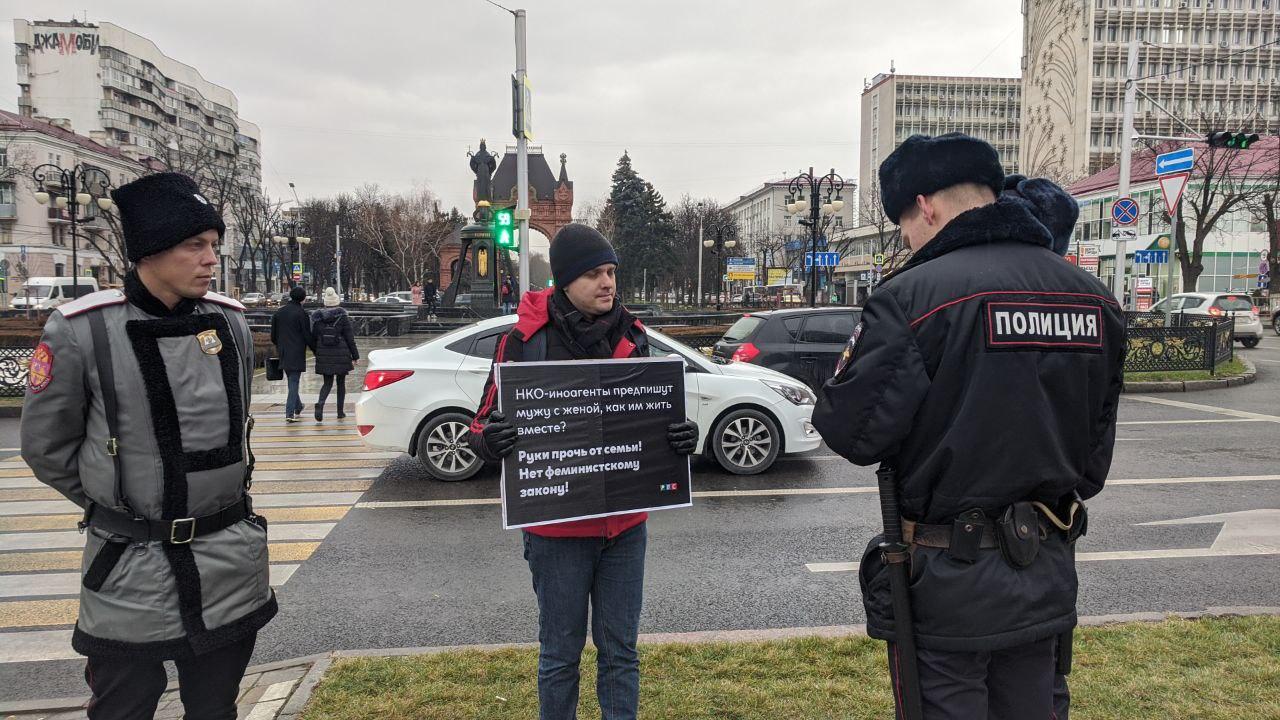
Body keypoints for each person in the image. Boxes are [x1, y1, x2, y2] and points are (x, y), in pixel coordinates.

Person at [812, 133, 1126, 720]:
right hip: (1046, 569)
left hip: (947, 583)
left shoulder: (911, 297)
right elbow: (1092, 462)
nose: (908, 237)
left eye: (905, 221)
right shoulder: (1093, 298)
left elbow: (851, 432)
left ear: (925, 204)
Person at [21, 172, 275, 720]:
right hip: (128, 568)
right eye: (195, 246)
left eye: (214, 245)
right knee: (122, 708)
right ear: (150, 252)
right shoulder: (83, 330)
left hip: (227, 560)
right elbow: (46, 448)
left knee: (215, 709)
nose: (211, 259)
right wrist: (123, 500)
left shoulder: (230, 323)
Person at [468, 224, 699, 720]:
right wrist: (491, 440)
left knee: (621, 655)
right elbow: (480, 423)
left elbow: (652, 415)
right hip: (557, 532)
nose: (607, 283)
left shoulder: (633, 335)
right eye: (594, 273)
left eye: (612, 272)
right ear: (565, 280)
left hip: (626, 529)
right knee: (560, 657)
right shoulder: (523, 342)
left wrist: (680, 440)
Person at [310, 287, 358, 422]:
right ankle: (340, 412)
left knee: (327, 383)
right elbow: (350, 338)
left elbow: (314, 337)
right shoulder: (342, 317)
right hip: (341, 355)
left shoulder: (317, 319)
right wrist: (355, 356)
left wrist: (317, 351)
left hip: (324, 354)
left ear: (325, 303)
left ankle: (320, 404)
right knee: (341, 383)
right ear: (337, 302)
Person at [270, 286, 313, 423]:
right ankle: (290, 413)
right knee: (294, 381)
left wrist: (280, 345)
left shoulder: (279, 312)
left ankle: (298, 406)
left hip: (283, 351)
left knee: (291, 380)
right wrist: (316, 350)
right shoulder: (301, 313)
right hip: (297, 352)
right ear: (303, 298)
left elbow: (273, 336)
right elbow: (307, 335)